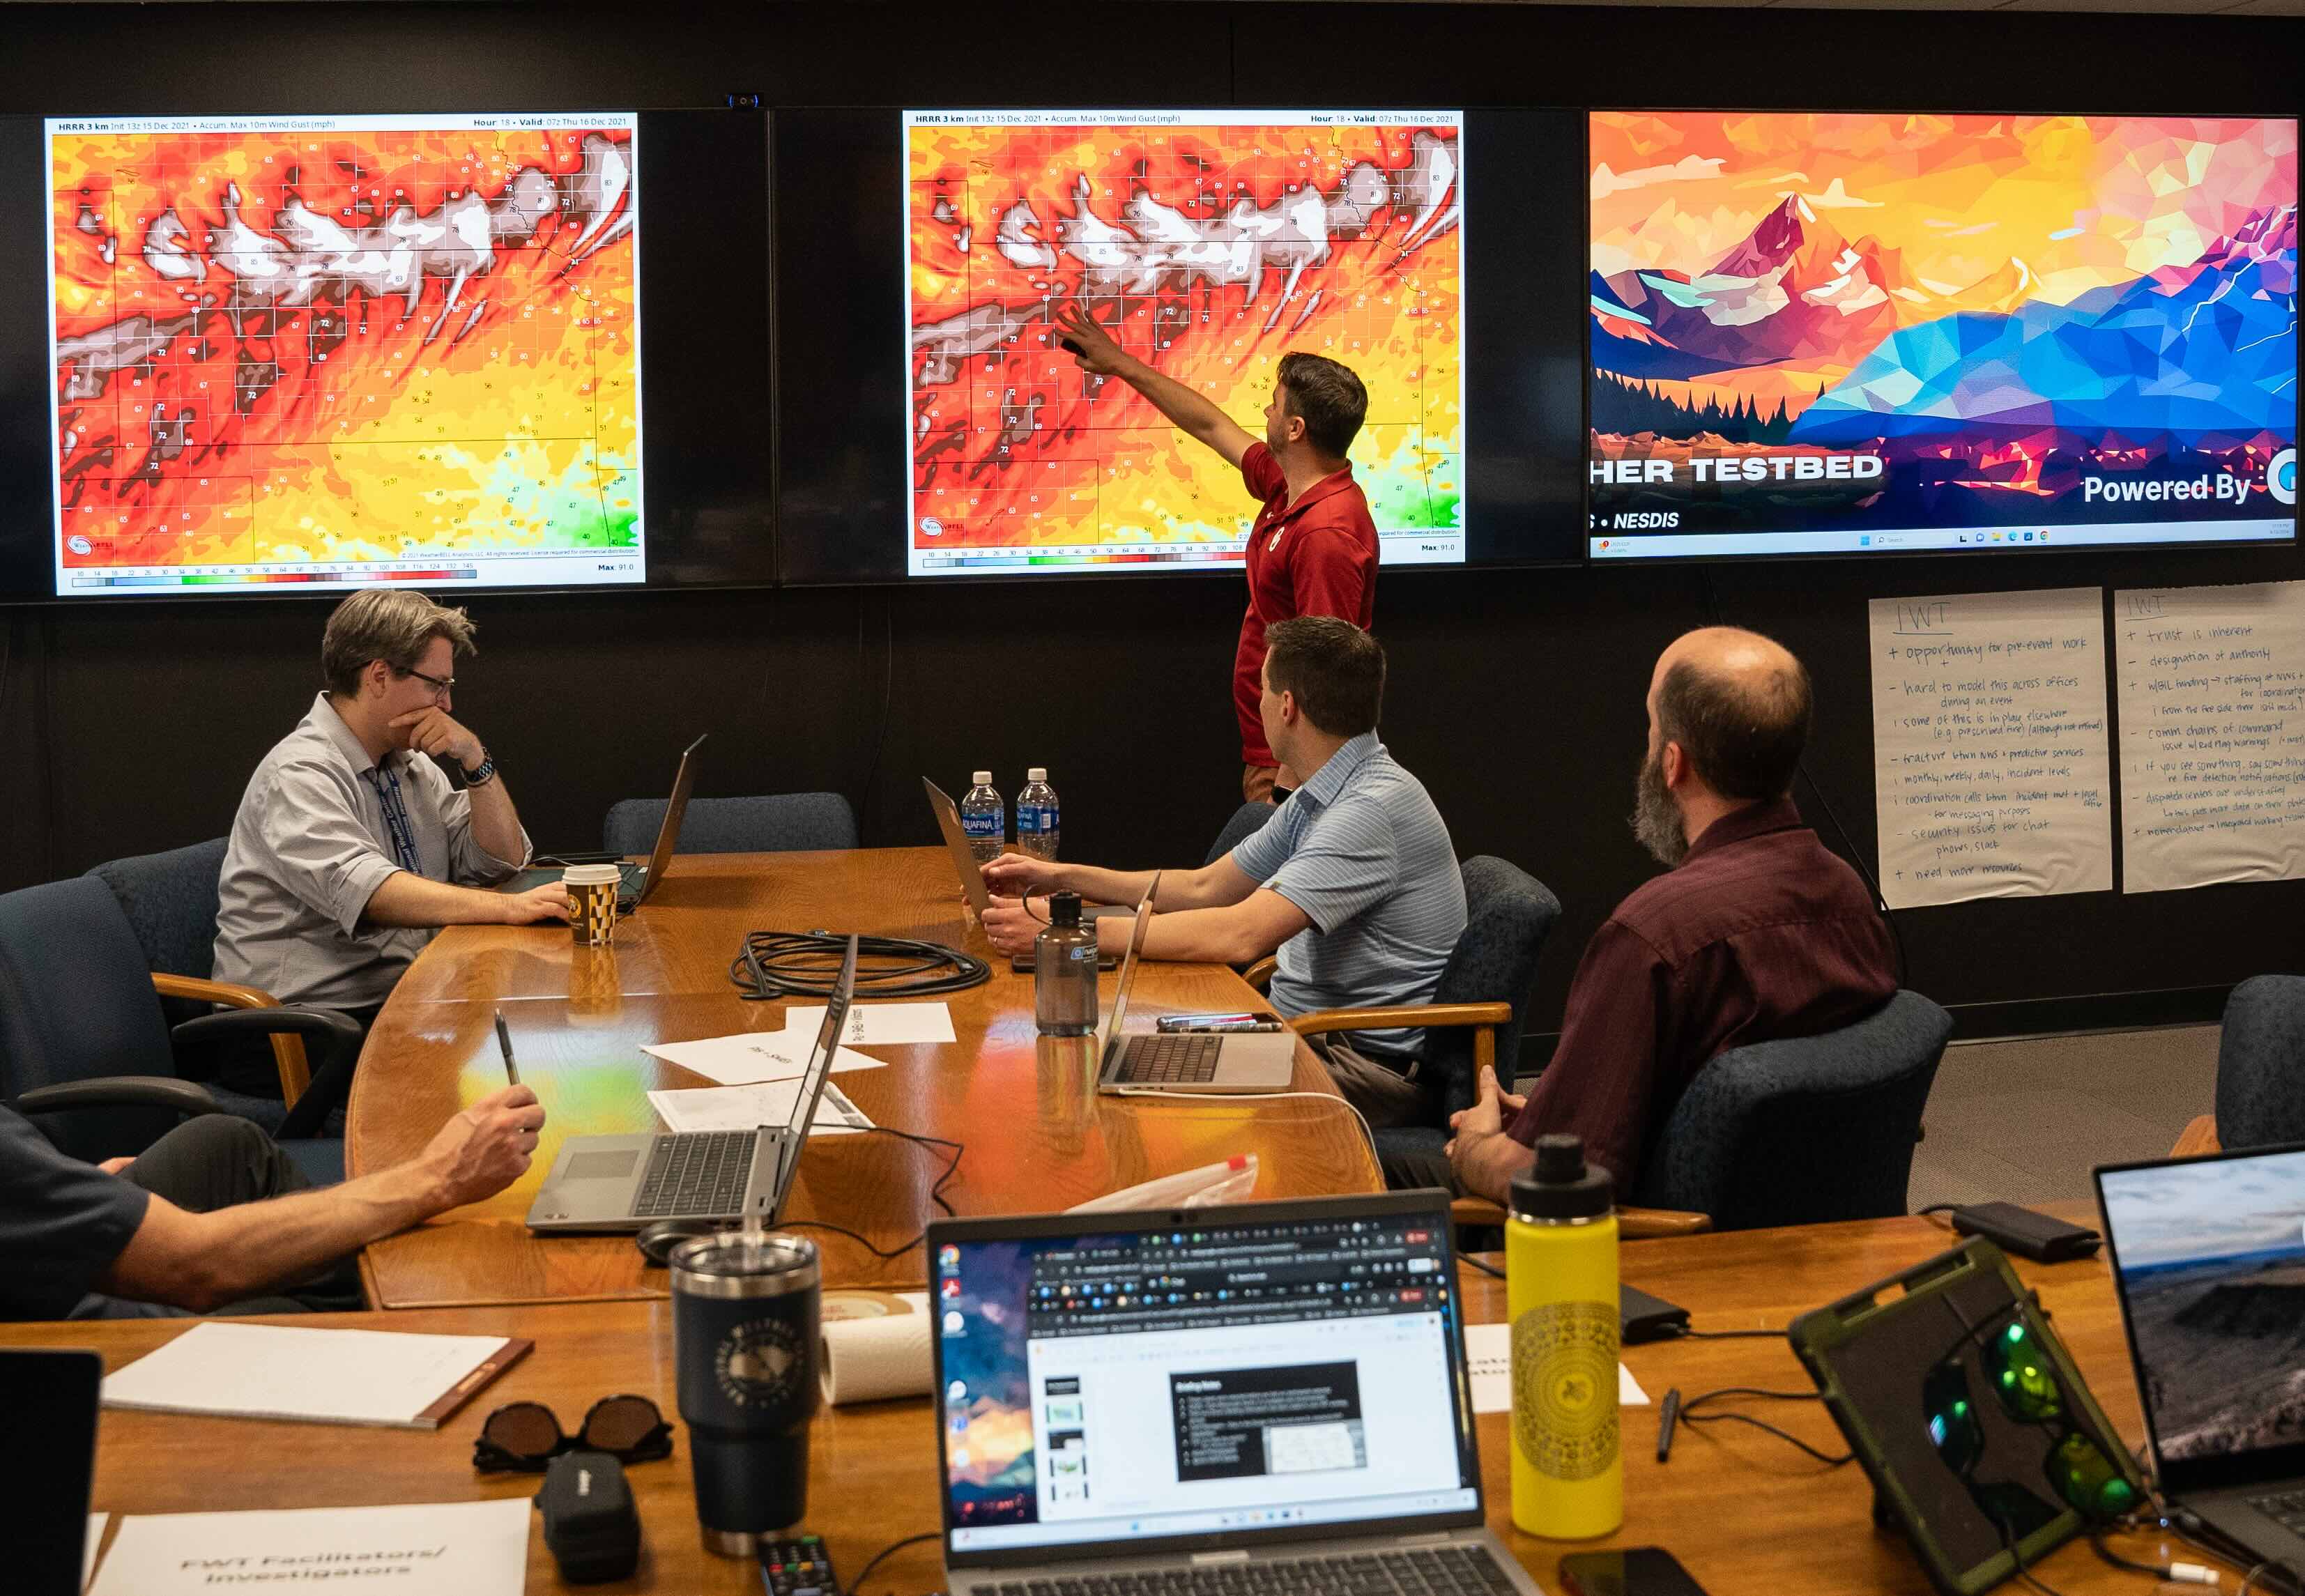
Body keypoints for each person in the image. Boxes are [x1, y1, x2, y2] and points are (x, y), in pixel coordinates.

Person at [1434, 627, 1899, 1203]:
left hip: (1659, 1256)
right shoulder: (1848, 896)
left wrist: (1477, 1147)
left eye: (1651, 729)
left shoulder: (1655, 935)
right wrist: (1559, 1110)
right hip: (1819, 1239)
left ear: (1673, 763)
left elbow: (1567, 1184)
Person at [981, 616, 1465, 1126]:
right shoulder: (1325, 791)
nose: (1256, 705)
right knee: (1114, 1058)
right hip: (1303, 1038)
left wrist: (1070, 934)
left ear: (1286, 707)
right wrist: (1058, 878)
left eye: (1261, 691)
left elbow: (1239, 936)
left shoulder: (1368, 810)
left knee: (1118, 1092)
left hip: (1358, 1069)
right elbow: (1204, 886)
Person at [212, 590, 567, 1095]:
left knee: (533, 1051)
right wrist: (509, 910)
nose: (446, 704)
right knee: (492, 1082)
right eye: (437, 686)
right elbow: (372, 894)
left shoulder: (411, 764)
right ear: (379, 676)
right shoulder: (299, 772)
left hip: (391, 1004)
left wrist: (475, 760)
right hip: (295, 1029)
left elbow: (500, 861)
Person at [1053, 301, 1377, 803]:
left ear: (1295, 429)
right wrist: (1120, 364)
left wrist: (1289, 788)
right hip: (1272, 751)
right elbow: (1209, 426)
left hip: (1293, 769)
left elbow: (1326, 677)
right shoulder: (1289, 487)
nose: (1265, 412)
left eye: (1275, 404)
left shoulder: (1325, 534)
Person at [0, 1087, 544, 1320]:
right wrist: (439, 1176)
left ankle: (360, 1292)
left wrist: (56, 1186)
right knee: (300, 1319)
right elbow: (192, 1265)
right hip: (47, 1339)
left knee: (222, 1145)